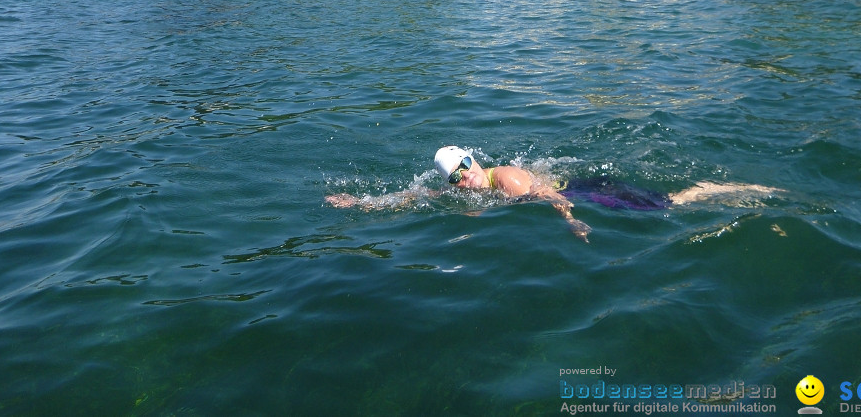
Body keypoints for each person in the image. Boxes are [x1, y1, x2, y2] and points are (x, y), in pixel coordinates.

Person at [325, 146, 781, 242]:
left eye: (463, 170)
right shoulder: (462, 191)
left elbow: (549, 196)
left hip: (585, 192)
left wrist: (571, 220)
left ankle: (738, 190)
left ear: (473, 162)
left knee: (671, 206)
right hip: (568, 192)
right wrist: (362, 204)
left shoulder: (507, 180)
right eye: (453, 180)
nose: (461, 182)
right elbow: (411, 198)